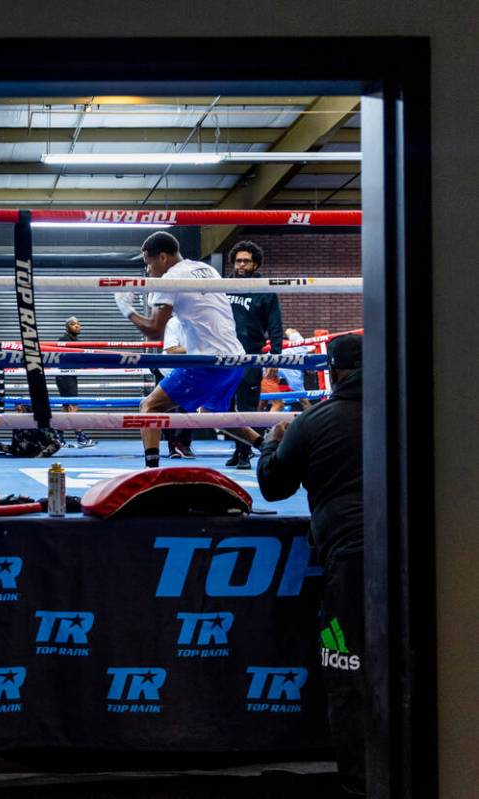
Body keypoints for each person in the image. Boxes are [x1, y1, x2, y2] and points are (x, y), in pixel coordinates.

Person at [255, 333, 365, 797]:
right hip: (421, 550)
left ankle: (360, 783)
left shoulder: (315, 420)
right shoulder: (413, 405)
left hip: (351, 556)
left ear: (334, 372)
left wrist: (269, 441)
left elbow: (274, 489)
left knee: (348, 669)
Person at [113, 231, 264, 468]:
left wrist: (127, 309)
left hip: (208, 362)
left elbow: (154, 330)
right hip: (234, 358)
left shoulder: (170, 279)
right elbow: (196, 308)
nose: (148, 270)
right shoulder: (206, 269)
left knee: (149, 407)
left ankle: (150, 470)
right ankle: (268, 447)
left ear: (162, 257)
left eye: (148, 263)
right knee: (213, 415)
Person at [225, 240, 283, 469]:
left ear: (255, 264)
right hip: (223, 355)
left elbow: (275, 325)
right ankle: (238, 447)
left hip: (250, 355)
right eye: (238, 261)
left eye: (246, 261)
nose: (241, 265)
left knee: (247, 405)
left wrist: (275, 358)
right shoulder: (222, 285)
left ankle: (244, 453)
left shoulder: (265, 288)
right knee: (224, 407)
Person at [159, 314, 196, 458]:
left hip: (191, 371)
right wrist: (197, 348)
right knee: (166, 409)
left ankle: (184, 445)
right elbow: (171, 350)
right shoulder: (174, 323)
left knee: (189, 408)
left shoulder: (201, 323)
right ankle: (172, 446)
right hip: (169, 371)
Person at [55, 316, 92, 447]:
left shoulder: (76, 341)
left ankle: (59, 436)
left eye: (78, 324)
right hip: (65, 376)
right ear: (67, 327)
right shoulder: (63, 340)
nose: (77, 326)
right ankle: (80, 436)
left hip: (69, 376)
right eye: (73, 324)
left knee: (66, 408)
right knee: (74, 406)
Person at [0, 405, 64, 457]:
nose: (16, 413)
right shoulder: (17, 426)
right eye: (16, 410)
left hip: (38, 464)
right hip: (21, 463)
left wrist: (42, 455)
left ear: (27, 410)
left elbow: (56, 444)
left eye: (19, 410)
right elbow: (15, 449)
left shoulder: (40, 424)